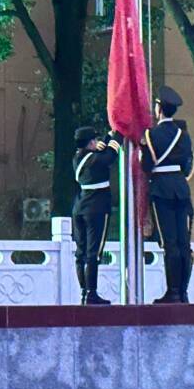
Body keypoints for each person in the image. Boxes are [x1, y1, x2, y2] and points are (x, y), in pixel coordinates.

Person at [141, 86, 194, 303]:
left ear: (159, 109)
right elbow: (187, 164)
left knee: (169, 243)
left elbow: (146, 166)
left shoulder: (151, 135)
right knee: (184, 243)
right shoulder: (184, 135)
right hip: (181, 188)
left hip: (161, 189)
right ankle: (183, 292)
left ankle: (172, 292)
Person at [71, 126, 119, 305]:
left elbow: (99, 154)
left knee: (81, 253)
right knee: (93, 253)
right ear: (91, 143)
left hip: (80, 207)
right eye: (95, 140)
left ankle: (84, 293)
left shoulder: (78, 158)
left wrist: (106, 138)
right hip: (97, 208)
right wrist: (117, 135)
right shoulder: (96, 159)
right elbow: (111, 154)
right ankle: (92, 293)